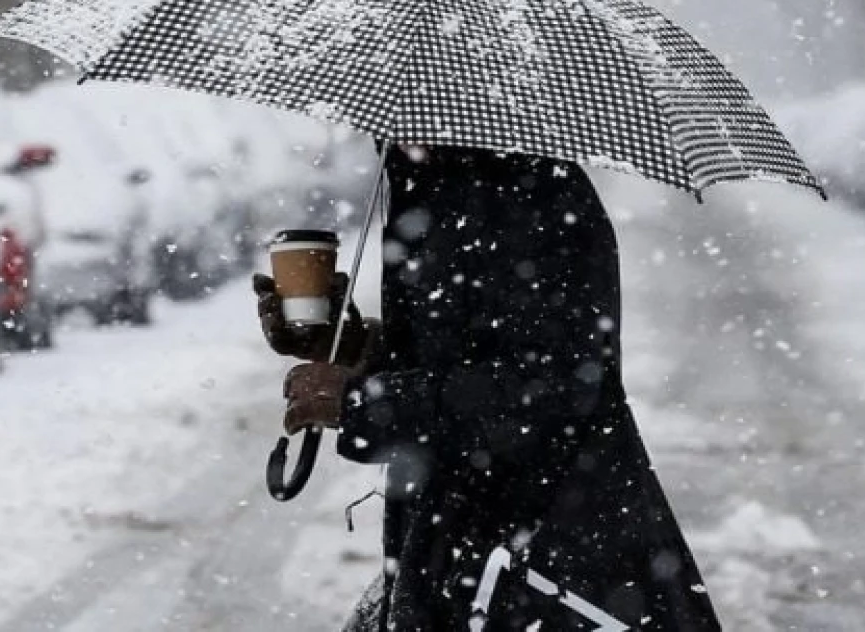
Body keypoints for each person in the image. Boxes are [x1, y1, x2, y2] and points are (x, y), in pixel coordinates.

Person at [255, 145, 720, 631]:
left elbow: (552, 388)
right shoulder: (435, 182)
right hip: (458, 542)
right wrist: (351, 346)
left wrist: (368, 405)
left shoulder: (534, 195)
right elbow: (460, 349)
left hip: (541, 549)